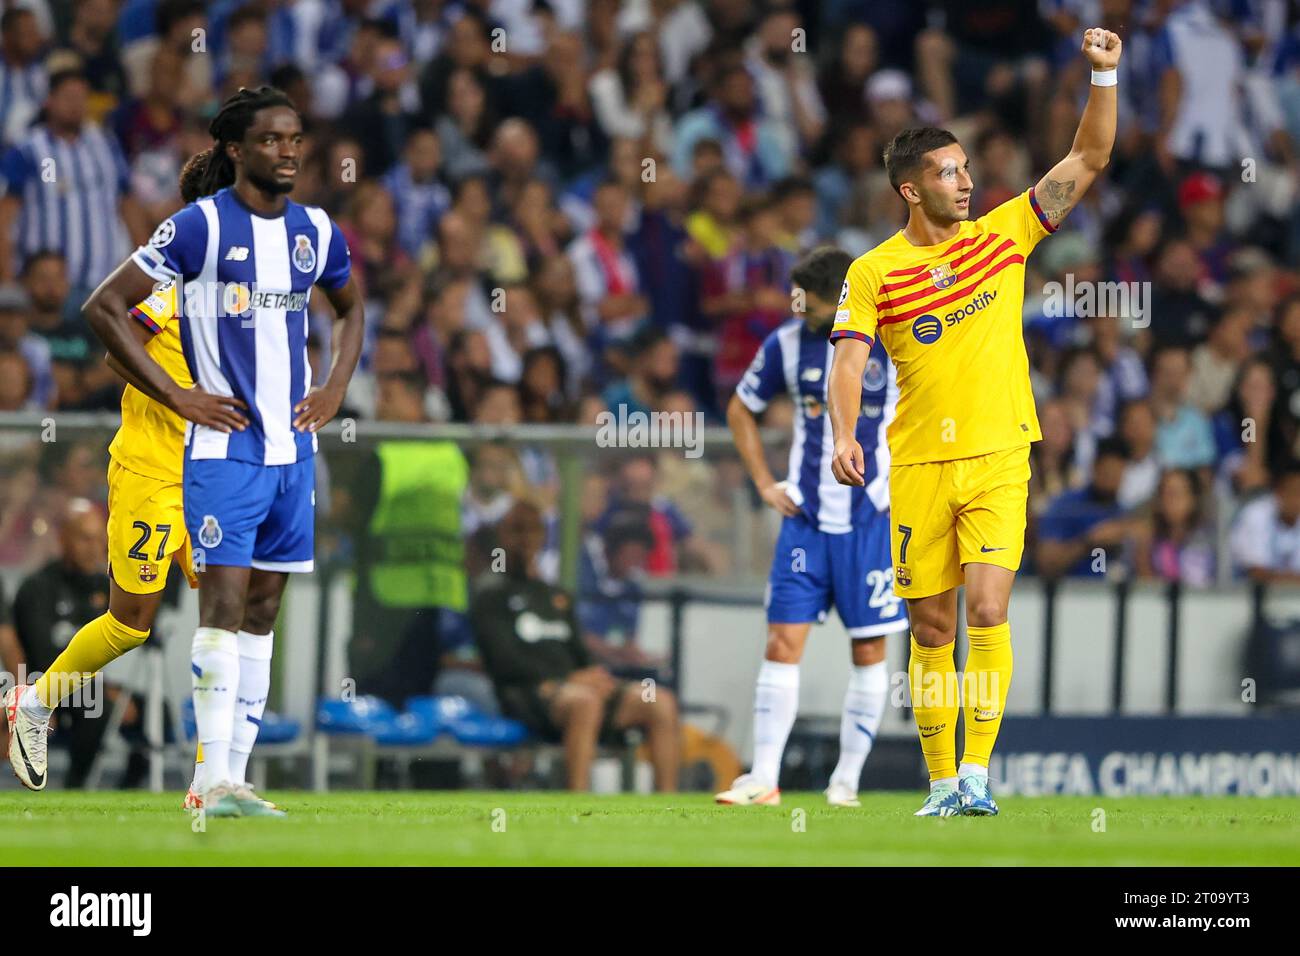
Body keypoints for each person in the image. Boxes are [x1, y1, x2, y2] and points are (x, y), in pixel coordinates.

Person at [826, 29, 1122, 816]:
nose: (967, 180)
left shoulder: (1006, 235)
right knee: (929, 627)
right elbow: (849, 360)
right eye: (948, 172)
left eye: (966, 167)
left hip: (999, 454)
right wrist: (844, 432)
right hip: (918, 463)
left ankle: (979, 776)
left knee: (988, 608)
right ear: (910, 190)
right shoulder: (874, 271)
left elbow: (1088, 160)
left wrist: (1103, 73)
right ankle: (940, 784)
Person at [78, 86, 364, 818]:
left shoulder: (316, 231)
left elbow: (352, 305)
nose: (289, 151)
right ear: (237, 150)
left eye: (295, 138)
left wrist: (333, 387)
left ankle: (235, 779)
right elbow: (104, 309)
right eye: (271, 140)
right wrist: (178, 396)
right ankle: (205, 787)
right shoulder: (198, 228)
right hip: (220, 452)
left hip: (292, 451)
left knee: (264, 610)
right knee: (223, 605)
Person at [4, 147, 222, 802]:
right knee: (131, 623)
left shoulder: (244, 288)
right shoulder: (170, 286)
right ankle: (35, 704)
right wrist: (177, 396)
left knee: (230, 614)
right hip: (152, 466)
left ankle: (215, 776)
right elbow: (116, 346)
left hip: (213, 472)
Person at [717, 245, 905, 809]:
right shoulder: (784, 344)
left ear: (839, 297)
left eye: (807, 299)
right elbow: (739, 409)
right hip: (805, 524)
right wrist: (763, 482)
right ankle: (765, 778)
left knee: (870, 652)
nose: (797, 309)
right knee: (781, 642)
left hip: (871, 523)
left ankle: (845, 781)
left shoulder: (890, 341)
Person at [473, 500, 680, 792]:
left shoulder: (556, 596)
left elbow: (579, 652)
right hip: (529, 696)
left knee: (659, 701)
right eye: (517, 531)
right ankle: (578, 798)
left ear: (542, 537)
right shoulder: (490, 594)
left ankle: (667, 804)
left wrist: (595, 675)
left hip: (575, 688)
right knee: (584, 701)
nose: (525, 540)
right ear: (502, 537)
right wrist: (570, 679)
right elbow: (503, 662)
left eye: (532, 531)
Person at [6, 499, 153, 788]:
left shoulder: (104, 585)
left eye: (100, 539)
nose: (94, 548)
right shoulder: (38, 587)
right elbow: (40, 655)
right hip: (45, 682)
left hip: (90, 685)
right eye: (85, 538)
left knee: (154, 708)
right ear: (63, 539)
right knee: (100, 705)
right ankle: (77, 785)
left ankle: (131, 784)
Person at [1035, 438, 1134, 579]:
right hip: (1069, 594)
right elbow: (1046, 564)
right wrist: (1090, 541)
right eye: (1107, 472)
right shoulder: (1066, 506)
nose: (1112, 478)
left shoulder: (1123, 514)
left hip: (1112, 596)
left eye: (1117, 473)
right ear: (1095, 467)